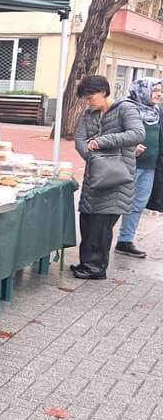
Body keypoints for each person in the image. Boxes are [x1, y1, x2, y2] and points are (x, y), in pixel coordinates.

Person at [71, 75, 144, 280]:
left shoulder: (125, 108)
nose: (88, 101)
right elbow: (80, 140)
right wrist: (95, 158)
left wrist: (102, 142)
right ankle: (87, 264)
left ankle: (95, 268)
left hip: (117, 177)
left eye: (90, 97)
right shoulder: (89, 113)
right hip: (95, 175)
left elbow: (137, 134)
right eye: (85, 98)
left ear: (103, 92)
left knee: (101, 225)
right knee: (87, 221)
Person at [116, 78, 163, 258]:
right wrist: (129, 147)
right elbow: (112, 135)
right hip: (127, 164)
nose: (159, 94)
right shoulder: (127, 109)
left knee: (138, 204)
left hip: (150, 167)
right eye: (155, 90)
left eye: (160, 91)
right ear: (143, 91)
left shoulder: (157, 112)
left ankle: (125, 241)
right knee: (116, 202)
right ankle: (101, 239)